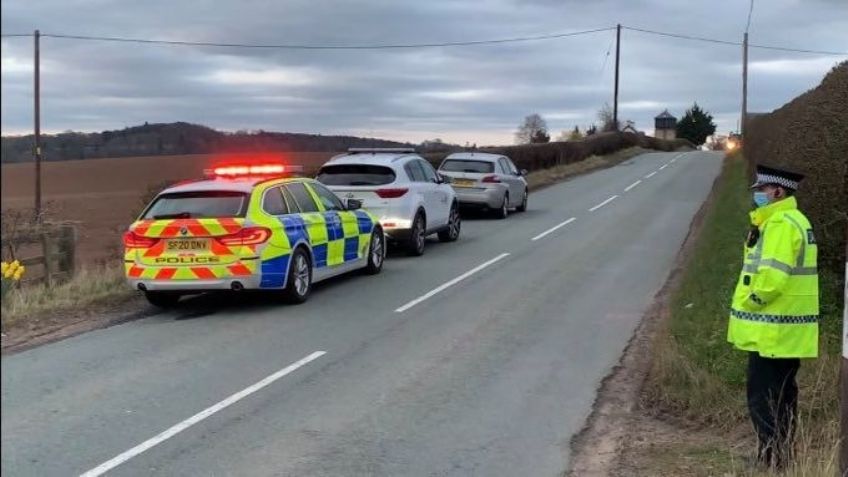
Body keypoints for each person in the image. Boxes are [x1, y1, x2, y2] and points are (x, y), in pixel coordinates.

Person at [727, 164, 819, 470]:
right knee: (782, 396)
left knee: (764, 398)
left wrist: (751, 301)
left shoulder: (780, 223)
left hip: (773, 331)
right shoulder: (795, 220)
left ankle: (771, 459)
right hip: (787, 331)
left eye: (763, 190)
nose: (758, 196)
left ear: (778, 191)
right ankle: (781, 457)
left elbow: (772, 279)